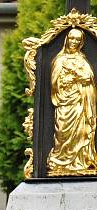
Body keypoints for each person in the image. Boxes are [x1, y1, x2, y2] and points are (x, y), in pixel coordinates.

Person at [47, 27, 97, 176]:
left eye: (77, 39)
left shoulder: (82, 60)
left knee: (81, 132)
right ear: (66, 40)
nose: (74, 42)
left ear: (81, 42)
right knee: (62, 130)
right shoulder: (60, 60)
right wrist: (68, 81)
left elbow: (89, 79)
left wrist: (79, 78)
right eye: (71, 38)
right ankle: (59, 161)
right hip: (65, 102)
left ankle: (80, 162)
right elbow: (55, 83)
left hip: (81, 102)